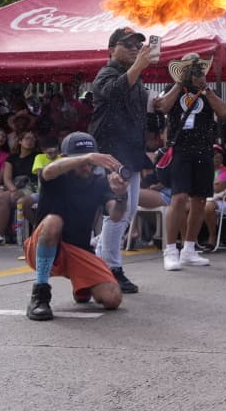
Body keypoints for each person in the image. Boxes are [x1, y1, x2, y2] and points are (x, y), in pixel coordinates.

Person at [24, 132, 128, 321]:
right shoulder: (56, 176)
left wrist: (121, 195)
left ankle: (81, 285)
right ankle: (40, 294)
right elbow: (48, 171)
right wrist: (87, 156)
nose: (87, 166)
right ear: (66, 159)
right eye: (81, 161)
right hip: (43, 243)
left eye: (90, 162)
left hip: (78, 250)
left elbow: (115, 215)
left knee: (112, 298)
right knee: (53, 221)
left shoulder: (99, 183)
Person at [88, 26, 155, 294]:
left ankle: (104, 255)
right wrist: (137, 67)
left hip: (132, 152)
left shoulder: (137, 81)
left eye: (137, 45)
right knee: (117, 212)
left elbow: (145, 112)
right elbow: (113, 92)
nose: (134, 49)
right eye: (127, 45)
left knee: (126, 213)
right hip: (112, 153)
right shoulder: (106, 73)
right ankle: (111, 268)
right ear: (111, 50)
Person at [155, 53, 226, 271]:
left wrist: (206, 89)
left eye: (198, 70)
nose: (196, 74)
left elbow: (223, 112)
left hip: (204, 150)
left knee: (199, 200)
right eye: (191, 70)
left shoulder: (207, 91)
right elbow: (164, 107)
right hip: (181, 150)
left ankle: (188, 249)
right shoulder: (175, 88)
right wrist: (179, 83)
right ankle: (170, 251)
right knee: (178, 198)